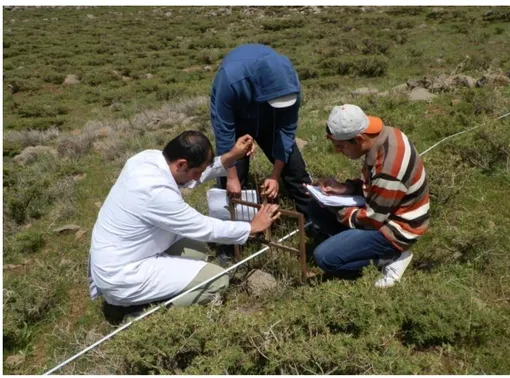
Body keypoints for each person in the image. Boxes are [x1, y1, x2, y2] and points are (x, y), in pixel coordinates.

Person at [88, 131, 280, 313]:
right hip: (122, 275)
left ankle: (162, 289)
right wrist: (251, 227)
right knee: (217, 280)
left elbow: (190, 176)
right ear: (181, 164)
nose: (197, 178)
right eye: (196, 172)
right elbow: (204, 227)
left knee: (199, 252)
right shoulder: (155, 193)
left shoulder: (148, 159)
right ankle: (148, 314)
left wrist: (232, 156)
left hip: (126, 251)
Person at [306, 104, 429, 288]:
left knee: (324, 258)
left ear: (359, 139)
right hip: (382, 209)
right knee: (314, 204)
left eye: (341, 146)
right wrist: (346, 188)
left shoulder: (389, 167)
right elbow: (373, 185)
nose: (339, 152)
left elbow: (373, 219)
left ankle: (390, 256)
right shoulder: (382, 136)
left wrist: (340, 210)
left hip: (398, 228)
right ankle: (350, 243)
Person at [210, 43, 312, 215]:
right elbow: (224, 131)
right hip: (239, 121)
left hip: (270, 118)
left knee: (295, 169)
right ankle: (235, 230)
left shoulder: (289, 83)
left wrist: (274, 176)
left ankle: (314, 218)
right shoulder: (230, 80)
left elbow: (286, 130)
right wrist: (232, 177)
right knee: (232, 179)